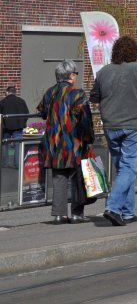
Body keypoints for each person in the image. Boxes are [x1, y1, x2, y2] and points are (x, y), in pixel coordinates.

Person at [90, 35, 137, 227]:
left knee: (123, 169)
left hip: (111, 126)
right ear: (134, 52)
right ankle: (113, 208)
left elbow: (95, 98)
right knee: (129, 168)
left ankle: (128, 212)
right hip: (134, 126)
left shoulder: (103, 72)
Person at [37, 60, 93, 224]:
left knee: (59, 178)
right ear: (71, 75)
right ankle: (76, 214)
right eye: (75, 73)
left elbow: (42, 112)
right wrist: (89, 139)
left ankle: (59, 214)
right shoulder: (77, 93)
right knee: (77, 177)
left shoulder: (50, 92)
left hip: (54, 143)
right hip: (73, 141)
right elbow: (86, 118)